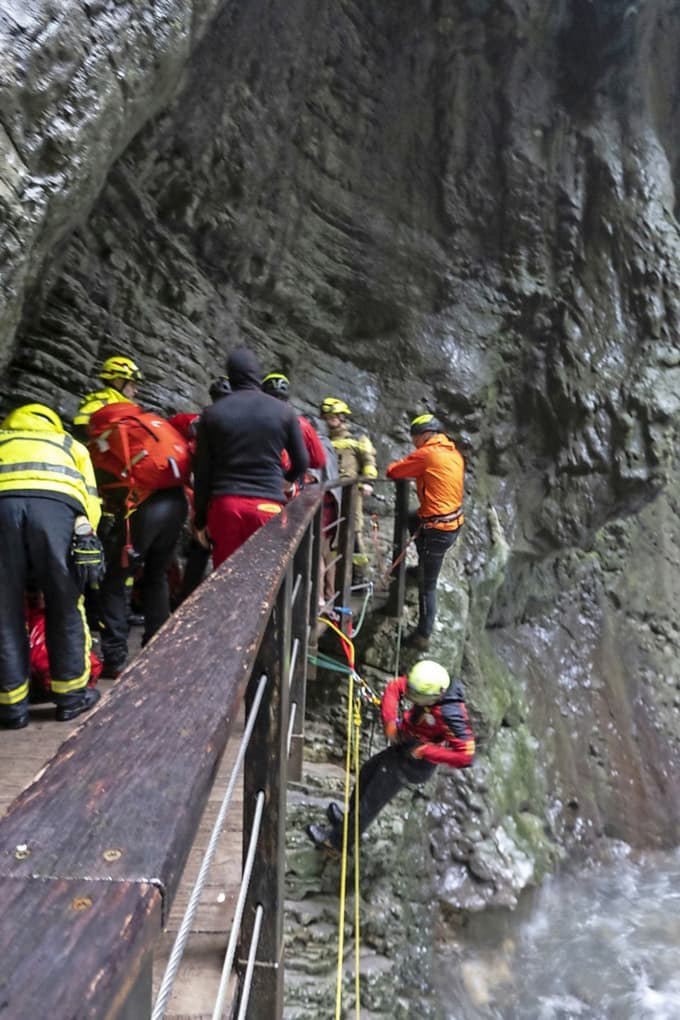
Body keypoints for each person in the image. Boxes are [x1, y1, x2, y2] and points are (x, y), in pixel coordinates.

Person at [0, 404, 103, 728]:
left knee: (4, 609)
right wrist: (87, 540)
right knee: (66, 603)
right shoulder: (71, 446)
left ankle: (11, 707)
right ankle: (71, 698)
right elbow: (91, 503)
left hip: (2, 508)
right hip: (57, 511)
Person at [307, 659, 474, 852]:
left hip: (415, 762)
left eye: (415, 697)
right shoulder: (426, 682)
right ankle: (349, 820)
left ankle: (336, 843)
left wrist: (425, 751)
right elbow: (395, 687)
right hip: (405, 745)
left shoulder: (452, 716)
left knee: (371, 800)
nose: (410, 697)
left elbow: (466, 756)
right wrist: (390, 723)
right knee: (366, 774)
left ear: (434, 696)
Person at [193, 348, 309, 567]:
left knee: (226, 576)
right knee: (262, 577)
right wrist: (284, 481)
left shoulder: (213, 413)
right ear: (257, 374)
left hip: (226, 505)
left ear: (231, 375)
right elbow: (302, 461)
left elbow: (203, 471)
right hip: (268, 505)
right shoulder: (283, 411)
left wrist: (200, 519)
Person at [386, 413, 464, 651]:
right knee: (412, 518)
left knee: (427, 585)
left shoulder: (428, 453)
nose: (413, 443)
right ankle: (422, 563)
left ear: (425, 435)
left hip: (438, 529)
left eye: (415, 438)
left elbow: (394, 471)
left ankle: (423, 635)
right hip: (452, 523)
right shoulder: (453, 453)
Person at [319, 397, 378, 582]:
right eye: (327, 417)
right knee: (333, 532)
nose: (329, 421)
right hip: (331, 493)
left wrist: (368, 482)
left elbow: (369, 462)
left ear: (341, 416)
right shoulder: (325, 440)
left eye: (332, 417)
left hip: (352, 493)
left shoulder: (357, 439)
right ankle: (336, 576)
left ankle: (359, 576)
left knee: (354, 531)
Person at [261, 371, 327, 495]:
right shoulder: (302, 425)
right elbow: (318, 460)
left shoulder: (249, 421)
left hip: (252, 487)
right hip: (288, 487)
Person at [73, 355, 143, 441]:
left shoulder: (130, 408)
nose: (136, 391)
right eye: (132, 385)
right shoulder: (100, 403)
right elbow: (79, 430)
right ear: (118, 381)